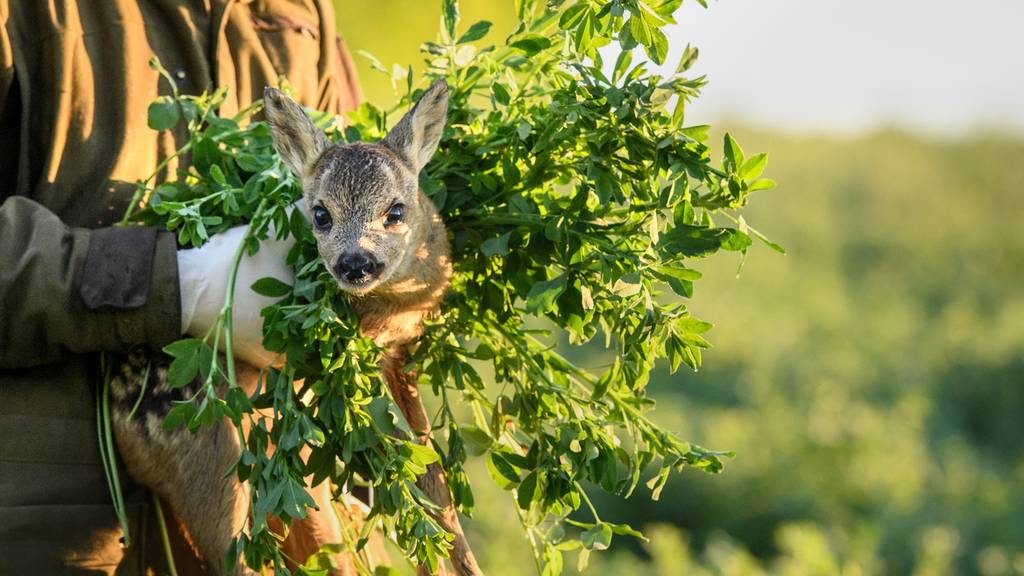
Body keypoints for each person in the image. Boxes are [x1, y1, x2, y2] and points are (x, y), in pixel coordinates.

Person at [0, 1, 362, 573]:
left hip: (268, 534)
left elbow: (368, 184)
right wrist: (179, 284)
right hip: (49, 544)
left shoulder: (296, 9)